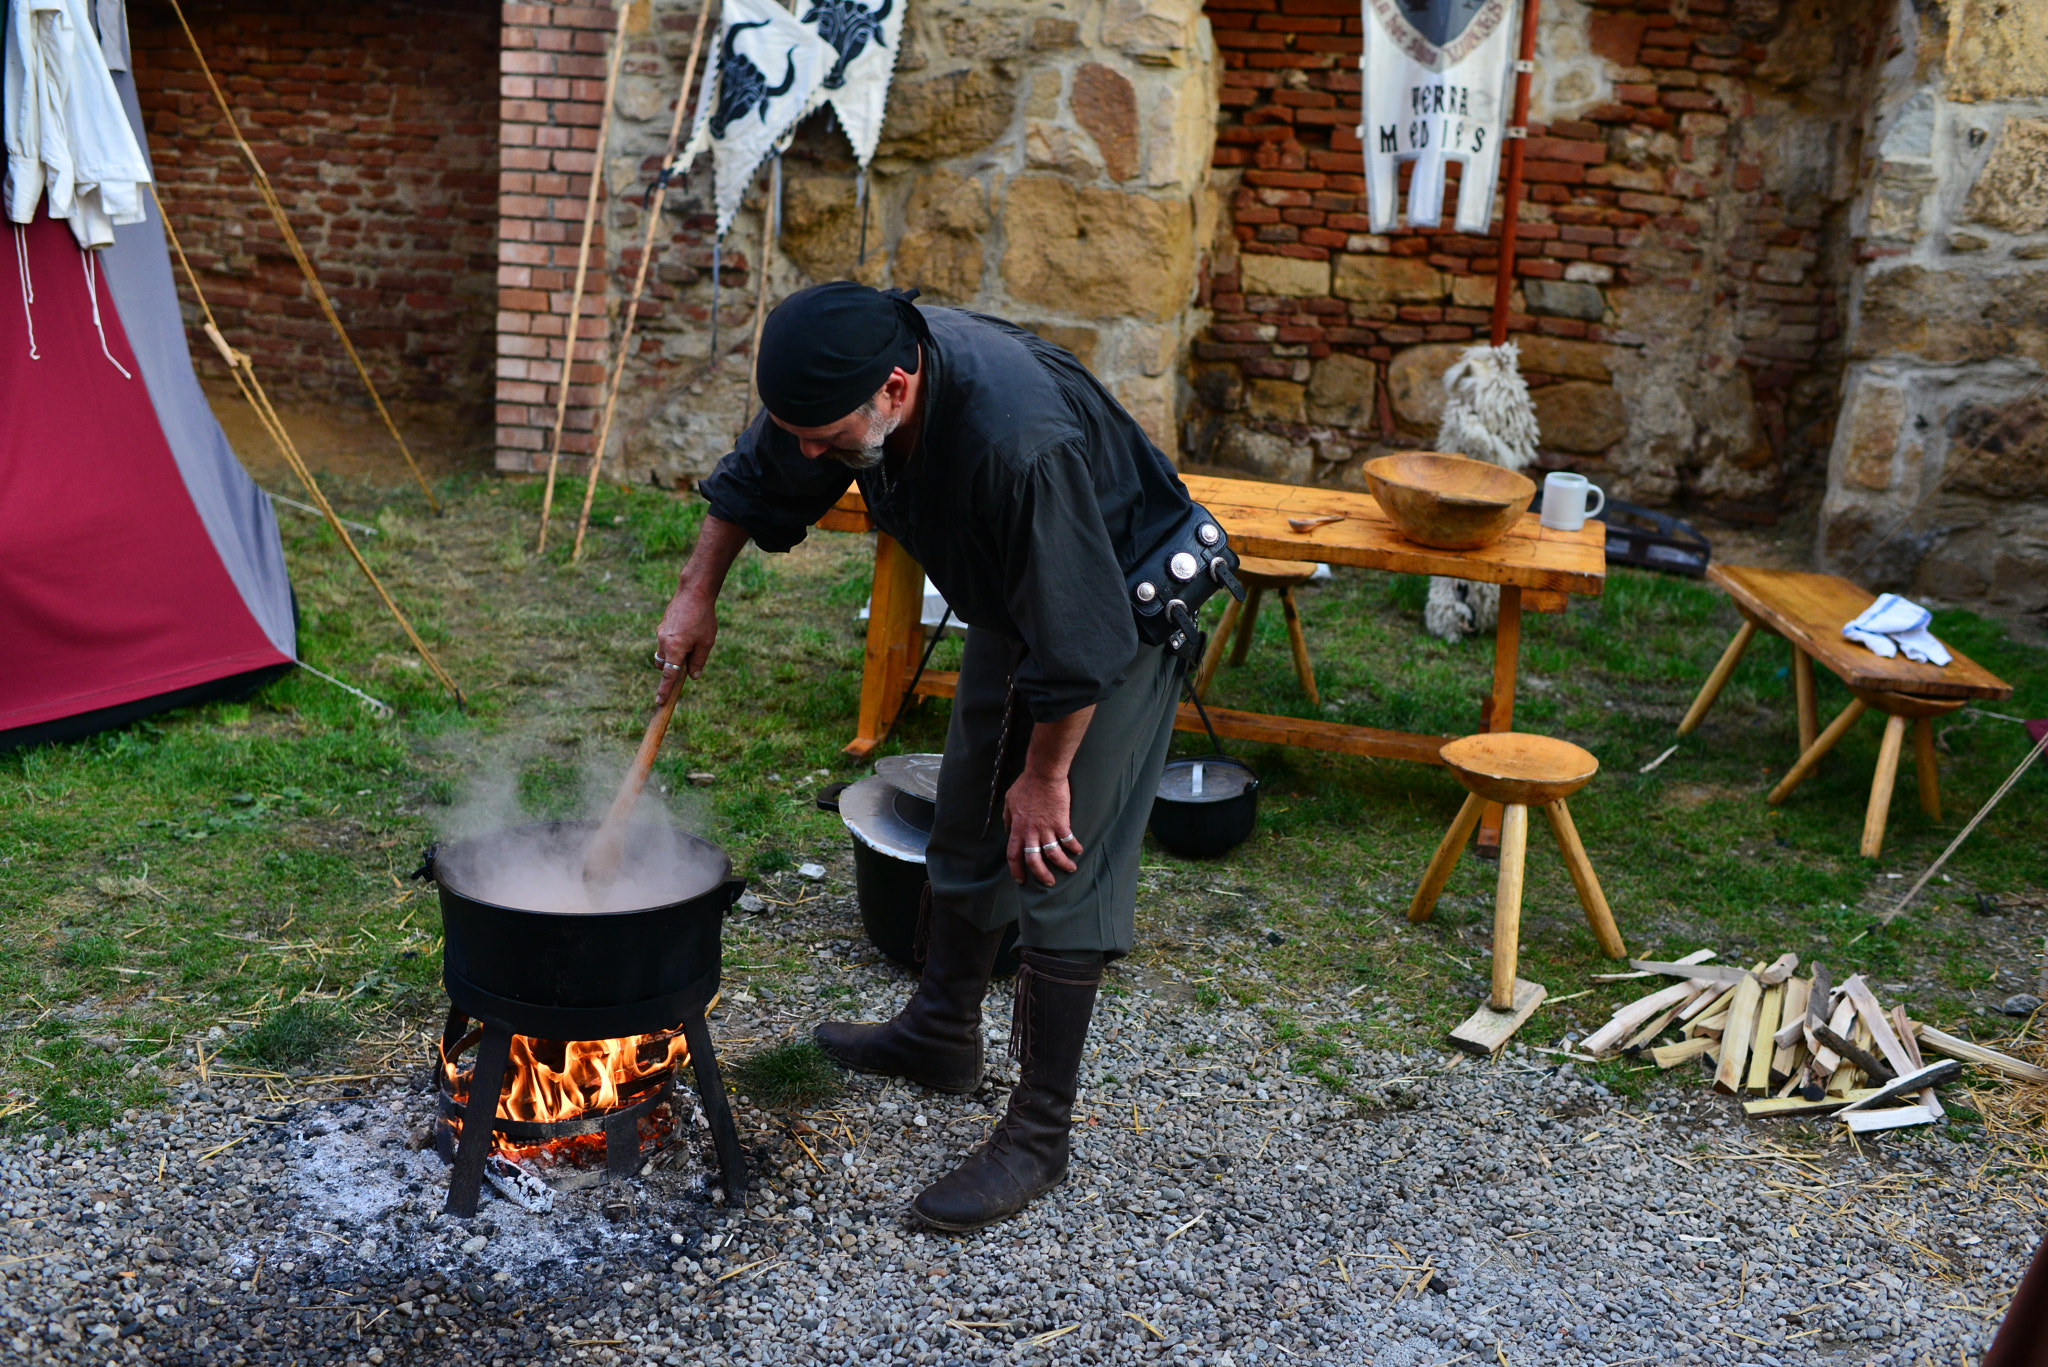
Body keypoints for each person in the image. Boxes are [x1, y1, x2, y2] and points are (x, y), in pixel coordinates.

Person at [653, 282, 1206, 1232]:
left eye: (826, 437)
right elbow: (757, 473)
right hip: (1014, 590)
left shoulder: (1016, 442)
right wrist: (696, 592)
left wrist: (1043, 777)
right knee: (965, 810)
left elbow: (1077, 641)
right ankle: (942, 1029)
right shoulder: (840, 374)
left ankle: (1038, 1133)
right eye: (798, 431)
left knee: (1052, 854)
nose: (808, 454)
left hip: (1120, 603)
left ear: (898, 390)